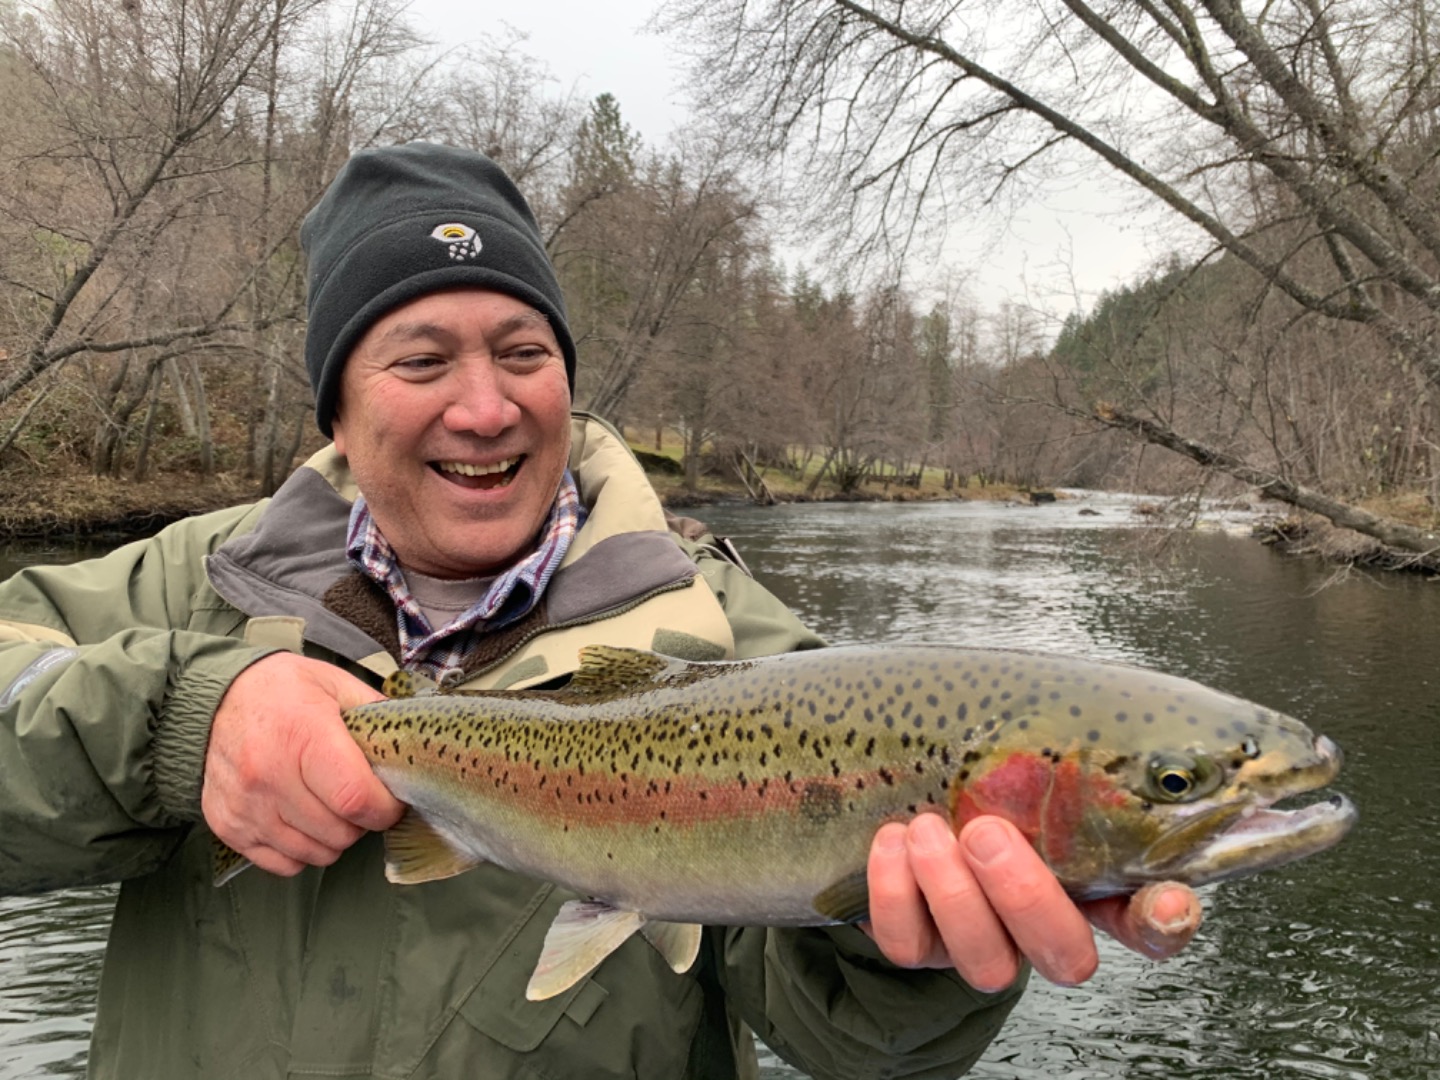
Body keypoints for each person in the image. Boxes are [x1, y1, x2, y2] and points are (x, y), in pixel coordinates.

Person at [0, 143, 1200, 1080]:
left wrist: (917, 956)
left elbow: (852, 1044)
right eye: (421, 362)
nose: (486, 407)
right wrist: (180, 725)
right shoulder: (181, 589)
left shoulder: (739, 650)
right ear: (335, 408)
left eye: (523, 351)